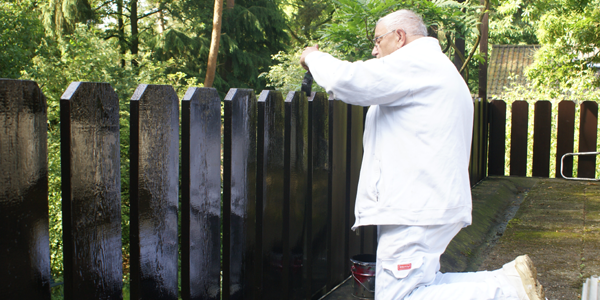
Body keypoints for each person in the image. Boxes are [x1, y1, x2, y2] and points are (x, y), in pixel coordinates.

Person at [299, 9, 546, 300]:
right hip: (423, 205)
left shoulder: (416, 63)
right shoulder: (434, 67)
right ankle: (505, 282)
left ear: (399, 37)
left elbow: (349, 80)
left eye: (378, 41)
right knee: (420, 286)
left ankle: (506, 289)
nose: (374, 51)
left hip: (415, 208)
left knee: (400, 296)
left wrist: (313, 57)